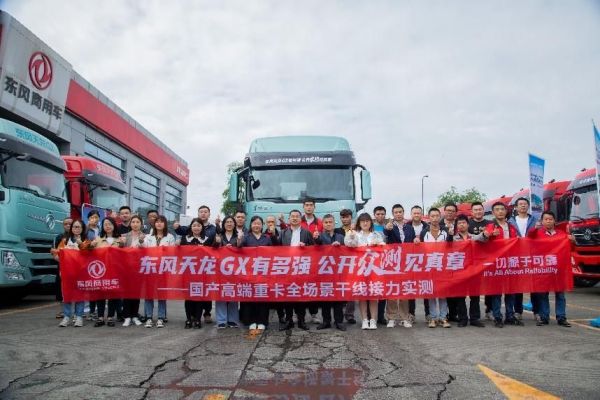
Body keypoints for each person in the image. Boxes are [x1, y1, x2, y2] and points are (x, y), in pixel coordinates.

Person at [527, 211, 572, 327]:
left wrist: (572, 240)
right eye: (546, 219)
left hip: (558, 269)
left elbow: (569, 246)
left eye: (550, 219)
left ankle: (561, 317)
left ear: (554, 221)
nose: (548, 221)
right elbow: (529, 236)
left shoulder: (561, 234)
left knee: (560, 294)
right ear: (542, 221)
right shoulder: (537, 233)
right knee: (543, 294)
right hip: (543, 269)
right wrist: (535, 228)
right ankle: (544, 317)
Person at [344, 213, 385, 330]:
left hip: (374, 269)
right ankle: (364, 320)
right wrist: (351, 234)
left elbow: (384, 246)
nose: (365, 223)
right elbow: (348, 244)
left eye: (367, 221)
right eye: (362, 221)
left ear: (371, 222)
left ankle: (373, 320)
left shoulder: (376, 234)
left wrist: (378, 244)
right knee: (362, 295)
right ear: (359, 223)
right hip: (359, 269)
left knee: (373, 295)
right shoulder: (356, 234)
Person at [238, 216, 277, 333]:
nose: (256, 225)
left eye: (259, 223)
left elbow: (274, 251)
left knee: (262, 297)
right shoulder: (246, 237)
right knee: (250, 297)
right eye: (254, 223)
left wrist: (273, 234)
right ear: (251, 225)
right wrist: (239, 239)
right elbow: (238, 249)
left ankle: (262, 321)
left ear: (262, 225)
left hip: (263, 273)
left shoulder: (267, 238)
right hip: (249, 272)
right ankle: (251, 321)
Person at [484, 202, 519, 328]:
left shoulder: (511, 226)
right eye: (497, 209)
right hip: (496, 264)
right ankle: (497, 317)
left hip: (510, 263)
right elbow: (484, 240)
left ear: (506, 211)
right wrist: (489, 235)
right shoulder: (490, 226)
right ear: (493, 213)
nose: (500, 211)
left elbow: (517, 242)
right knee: (497, 292)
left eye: (502, 209)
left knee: (511, 291)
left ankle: (510, 316)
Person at [279, 209, 315, 331]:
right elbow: (276, 249)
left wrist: (306, 247)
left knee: (301, 296)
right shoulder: (283, 233)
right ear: (289, 219)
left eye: (297, 216)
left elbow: (313, 250)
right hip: (287, 269)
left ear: (301, 219)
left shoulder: (307, 233)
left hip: (301, 269)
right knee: (288, 296)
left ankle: (301, 321)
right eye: (292, 216)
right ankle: (288, 320)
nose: (294, 218)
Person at [419, 208, 453, 329]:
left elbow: (450, 246)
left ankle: (443, 317)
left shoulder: (446, 231)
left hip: (443, 266)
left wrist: (451, 235)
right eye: (432, 216)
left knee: (443, 293)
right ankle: (433, 318)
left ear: (440, 217)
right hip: (429, 266)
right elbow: (420, 249)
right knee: (431, 293)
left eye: (437, 216)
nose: (434, 218)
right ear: (429, 217)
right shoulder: (424, 232)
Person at [383, 204, 416, 329]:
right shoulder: (390, 226)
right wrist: (387, 229)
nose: (398, 214)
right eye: (396, 212)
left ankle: (404, 317)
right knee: (392, 290)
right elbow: (386, 234)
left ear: (403, 212)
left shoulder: (410, 228)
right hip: (392, 262)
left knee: (404, 291)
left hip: (406, 263)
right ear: (393, 214)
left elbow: (412, 242)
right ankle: (391, 317)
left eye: (400, 212)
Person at [451, 214, 486, 328]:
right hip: (459, 271)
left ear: (468, 224)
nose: (462, 225)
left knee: (475, 296)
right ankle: (463, 319)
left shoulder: (473, 237)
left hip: (474, 270)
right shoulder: (453, 238)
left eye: (464, 223)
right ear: (456, 226)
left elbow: (484, 238)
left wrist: (486, 233)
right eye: (459, 223)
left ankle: (474, 318)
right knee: (460, 296)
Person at [508, 197, 538, 322]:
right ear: (516, 207)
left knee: (534, 285)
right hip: (517, 256)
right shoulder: (510, 221)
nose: (523, 206)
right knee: (518, 286)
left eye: (525, 204)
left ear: (528, 206)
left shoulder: (535, 220)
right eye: (520, 204)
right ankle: (518, 311)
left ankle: (537, 311)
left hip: (532, 256)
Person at [314, 214, 346, 331]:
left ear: (334, 223)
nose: (328, 224)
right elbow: (317, 244)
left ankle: (339, 321)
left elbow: (347, 251)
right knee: (325, 297)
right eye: (326, 222)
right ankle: (326, 321)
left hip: (338, 271)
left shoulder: (341, 237)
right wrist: (316, 238)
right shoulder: (320, 236)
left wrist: (340, 246)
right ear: (323, 224)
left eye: (330, 222)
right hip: (324, 271)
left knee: (338, 297)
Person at [143, 215, 176, 328]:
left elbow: (172, 253)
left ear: (165, 224)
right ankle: (148, 317)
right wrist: (141, 241)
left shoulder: (170, 237)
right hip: (150, 268)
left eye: (162, 222)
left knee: (162, 294)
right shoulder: (148, 237)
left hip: (163, 269)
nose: (159, 223)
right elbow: (143, 250)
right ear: (154, 224)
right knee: (149, 294)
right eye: (157, 222)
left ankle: (161, 317)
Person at [180, 218, 213, 329]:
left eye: (199, 225)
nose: (196, 228)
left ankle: (198, 319)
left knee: (199, 296)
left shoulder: (207, 240)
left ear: (202, 227)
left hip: (202, 273)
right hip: (188, 272)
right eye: (194, 225)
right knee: (188, 297)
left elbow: (212, 254)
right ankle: (189, 318)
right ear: (191, 227)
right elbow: (180, 254)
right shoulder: (185, 239)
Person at [55, 219, 88, 327]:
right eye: (74, 227)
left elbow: (88, 255)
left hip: (80, 273)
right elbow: (57, 255)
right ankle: (66, 317)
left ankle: (79, 317)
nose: (76, 229)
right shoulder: (65, 241)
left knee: (79, 295)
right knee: (67, 295)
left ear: (82, 229)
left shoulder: (86, 241)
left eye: (78, 227)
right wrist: (57, 256)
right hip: (67, 273)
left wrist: (80, 244)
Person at [90, 217, 122, 327]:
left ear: (114, 225)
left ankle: (110, 317)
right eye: (105, 224)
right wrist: (91, 246)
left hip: (115, 271)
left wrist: (122, 245)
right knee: (100, 294)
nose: (107, 226)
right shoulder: (98, 240)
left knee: (112, 294)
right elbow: (90, 254)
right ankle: (100, 317)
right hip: (101, 271)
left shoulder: (120, 240)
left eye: (109, 224)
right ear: (102, 227)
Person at [214, 216, 240, 329]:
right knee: (220, 295)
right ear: (223, 224)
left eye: (231, 222)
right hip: (220, 270)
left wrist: (237, 244)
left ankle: (232, 320)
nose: (229, 224)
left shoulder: (238, 236)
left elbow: (243, 250)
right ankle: (221, 320)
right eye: (227, 222)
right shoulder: (219, 236)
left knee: (233, 294)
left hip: (235, 270)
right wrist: (218, 244)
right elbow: (212, 250)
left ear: (234, 224)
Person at [470, 201, 493, 320]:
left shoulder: (490, 223)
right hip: (473, 260)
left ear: (483, 210)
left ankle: (490, 310)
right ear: (471, 212)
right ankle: (475, 316)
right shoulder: (468, 223)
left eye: (480, 209)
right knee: (475, 289)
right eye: (475, 210)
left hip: (488, 259)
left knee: (490, 287)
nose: (478, 211)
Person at [121, 215, 145, 327]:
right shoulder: (124, 236)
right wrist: (121, 243)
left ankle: (134, 315)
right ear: (130, 224)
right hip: (126, 268)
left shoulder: (145, 236)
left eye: (137, 222)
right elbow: (119, 251)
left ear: (141, 224)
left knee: (136, 293)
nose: (135, 224)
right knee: (126, 293)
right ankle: (127, 317)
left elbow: (147, 250)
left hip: (139, 268)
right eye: (133, 222)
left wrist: (141, 242)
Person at [335, 209, 357, 325]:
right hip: (339, 263)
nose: (345, 219)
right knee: (339, 288)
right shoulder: (336, 231)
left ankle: (349, 315)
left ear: (351, 217)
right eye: (343, 217)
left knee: (351, 289)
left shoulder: (356, 230)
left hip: (353, 262)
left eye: (347, 217)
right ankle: (338, 316)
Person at [408, 205, 429, 323]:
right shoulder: (406, 227)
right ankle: (411, 314)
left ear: (422, 214)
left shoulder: (427, 227)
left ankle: (428, 314)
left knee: (426, 287)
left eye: (418, 213)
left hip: (425, 261)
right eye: (414, 213)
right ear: (411, 214)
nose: (416, 215)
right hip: (410, 262)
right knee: (411, 288)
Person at [52, 217, 72, 319]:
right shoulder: (59, 237)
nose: (68, 225)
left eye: (70, 224)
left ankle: (78, 312)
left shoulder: (79, 237)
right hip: (62, 267)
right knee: (61, 288)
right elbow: (54, 253)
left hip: (76, 267)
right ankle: (64, 311)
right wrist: (63, 261)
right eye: (66, 224)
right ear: (63, 225)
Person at [85, 210, 101, 321]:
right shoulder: (85, 230)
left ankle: (98, 311)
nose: (94, 219)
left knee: (99, 287)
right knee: (91, 287)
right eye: (92, 217)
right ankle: (91, 311)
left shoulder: (101, 229)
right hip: (88, 261)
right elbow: (82, 243)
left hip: (101, 260)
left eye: (96, 217)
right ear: (88, 218)